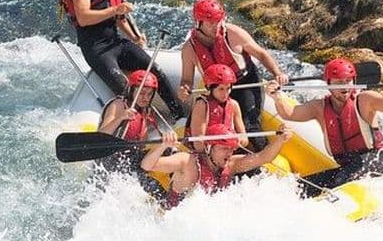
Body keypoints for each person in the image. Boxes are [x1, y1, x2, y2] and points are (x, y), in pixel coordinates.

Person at [59, 0, 182, 120]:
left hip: (116, 42)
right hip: (96, 49)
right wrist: (115, 9)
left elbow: (119, 17)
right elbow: (83, 18)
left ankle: (179, 117)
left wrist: (135, 37)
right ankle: (137, 126)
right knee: (125, 89)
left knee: (156, 72)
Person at [265, 57, 383, 195]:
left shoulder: (365, 99)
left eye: (348, 81)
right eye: (339, 82)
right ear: (328, 84)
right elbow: (290, 114)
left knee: (339, 181)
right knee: (300, 188)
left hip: (374, 160)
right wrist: (277, 96)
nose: (345, 87)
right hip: (346, 166)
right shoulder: (319, 107)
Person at [177, 0, 288, 151]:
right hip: (216, 88)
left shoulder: (233, 33)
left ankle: (259, 156)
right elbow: (186, 79)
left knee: (250, 125)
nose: (216, 26)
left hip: (245, 82)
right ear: (199, 23)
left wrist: (277, 73)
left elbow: (261, 54)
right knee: (194, 129)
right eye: (210, 23)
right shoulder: (189, 49)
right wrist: (184, 89)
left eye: (218, 21)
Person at [141, 123, 292, 209]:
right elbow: (147, 165)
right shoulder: (187, 162)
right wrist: (162, 146)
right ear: (208, 147)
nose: (229, 153)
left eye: (231, 149)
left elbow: (262, 158)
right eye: (224, 148)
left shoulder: (231, 164)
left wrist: (280, 140)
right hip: (174, 222)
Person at [95, 69, 168, 204]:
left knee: (161, 195)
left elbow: (141, 144)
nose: (145, 97)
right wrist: (121, 118)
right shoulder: (119, 105)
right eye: (141, 93)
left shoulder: (146, 112)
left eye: (149, 94)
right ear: (131, 91)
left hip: (131, 163)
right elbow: (101, 135)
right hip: (110, 160)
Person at [184, 63, 248, 152]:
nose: (225, 93)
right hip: (205, 153)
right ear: (210, 88)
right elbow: (198, 142)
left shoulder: (234, 105)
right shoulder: (202, 105)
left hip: (227, 152)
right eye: (221, 89)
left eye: (228, 88)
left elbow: (244, 139)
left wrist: (238, 141)